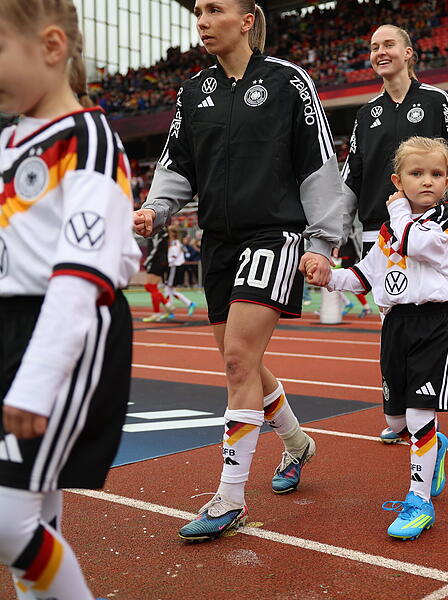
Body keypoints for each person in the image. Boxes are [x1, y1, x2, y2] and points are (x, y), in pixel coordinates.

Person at [134, 0, 343, 541]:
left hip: (275, 234)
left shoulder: (288, 83)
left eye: (213, 10)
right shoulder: (192, 91)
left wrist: (321, 241)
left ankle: (229, 497)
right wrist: (155, 210)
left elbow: (318, 165)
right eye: (197, 11)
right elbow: (177, 165)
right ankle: (296, 443)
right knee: (243, 363)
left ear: (247, 20)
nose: (201, 20)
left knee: (235, 360)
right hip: (219, 242)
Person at [0, 1, 139, 596]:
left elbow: (82, 273)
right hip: (10, 324)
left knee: (7, 522)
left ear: (51, 48)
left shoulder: (88, 138)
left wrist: (37, 380)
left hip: (63, 330)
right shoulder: (7, 140)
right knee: (30, 506)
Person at [315, 137, 448, 540]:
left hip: (433, 324)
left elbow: (418, 244)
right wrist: (330, 277)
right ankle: (435, 446)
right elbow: (364, 275)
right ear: (399, 179)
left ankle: (419, 500)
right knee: (396, 420)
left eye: (436, 174)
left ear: (446, 181)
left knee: (418, 416)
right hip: (394, 325)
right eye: (417, 174)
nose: (427, 181)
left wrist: (396, 208)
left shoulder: (444, 218)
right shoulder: (388, 228)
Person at [340, 23, 448, 443]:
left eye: (388, 45)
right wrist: (336, 230)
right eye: (374, 46)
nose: (380, 51)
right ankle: (403, 411)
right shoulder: (367, 114)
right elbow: (351, 177)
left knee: (422, 316)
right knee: (392, 324)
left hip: (427, 230)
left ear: (408, 52)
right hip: (376, 233)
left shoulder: (437, 101)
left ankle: (422, 419)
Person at [141, 227, 173, 322]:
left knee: (151, 286)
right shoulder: (160, 231)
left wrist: (147, 261)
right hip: (160, 261)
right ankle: (167, 304)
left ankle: (157, 313)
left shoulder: (158, 231)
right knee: (149, 286)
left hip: (157, 261)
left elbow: (155, 248)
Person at [164, 225, 197, 317]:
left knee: (168, 289)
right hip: (173, 267)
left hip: (174, 267)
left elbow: (173, 257)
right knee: (170, 290)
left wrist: (165, 264)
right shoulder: (173, 243)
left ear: (173, 233)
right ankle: (171, 310)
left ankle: (172, 310)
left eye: (169, 232)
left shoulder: (175, 243)